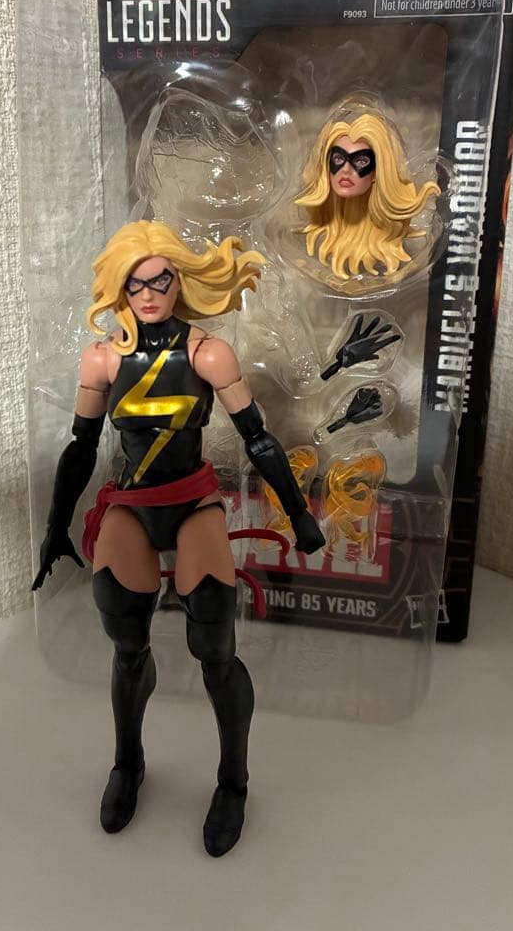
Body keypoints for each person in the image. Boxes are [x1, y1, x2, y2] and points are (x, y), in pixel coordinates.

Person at [32, 219, 324, 857]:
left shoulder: (207, 353)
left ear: (179, 281)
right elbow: (81, 447)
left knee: (214, 645)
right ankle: (127, 763)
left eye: (160, 281)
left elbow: (258, 438)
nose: (148, 294)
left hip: (192, 499)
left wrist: (299, 514)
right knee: (125, 639)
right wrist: (56, 524)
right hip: (132, 502)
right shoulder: (103, 358)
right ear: (119, 287)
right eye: (135, 284)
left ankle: (234, 781)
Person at [295, 113, 440, 278]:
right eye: (338, 159)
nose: (346, 170)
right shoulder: (316, 235)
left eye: (361, 161)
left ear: (378, 172)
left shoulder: (390, 240)